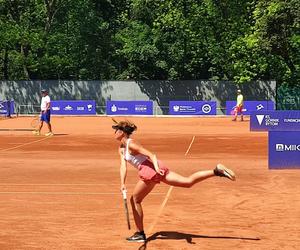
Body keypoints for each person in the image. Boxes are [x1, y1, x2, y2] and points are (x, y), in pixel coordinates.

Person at [112, 119, 236, 243]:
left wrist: (155, 168)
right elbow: (123, 166)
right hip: (156, 168)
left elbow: (151, 155)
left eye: (116, 130)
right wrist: (122, 183)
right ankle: (216, 171)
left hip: (150, 170)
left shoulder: (131, 144)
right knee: (187, 182)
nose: (114, 132)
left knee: (135, 200)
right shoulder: (121, 148)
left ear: (122, 132)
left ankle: (140, 233)